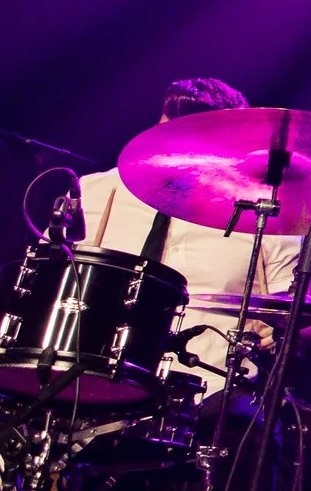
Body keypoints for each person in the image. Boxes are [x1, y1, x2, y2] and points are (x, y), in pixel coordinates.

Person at [75, 78, 296, 401]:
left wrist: (281, 333)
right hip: (88, 388)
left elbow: (303, 325)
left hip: (208, 400)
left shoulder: (268, 217)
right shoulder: (94, 192)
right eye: (170, 132)